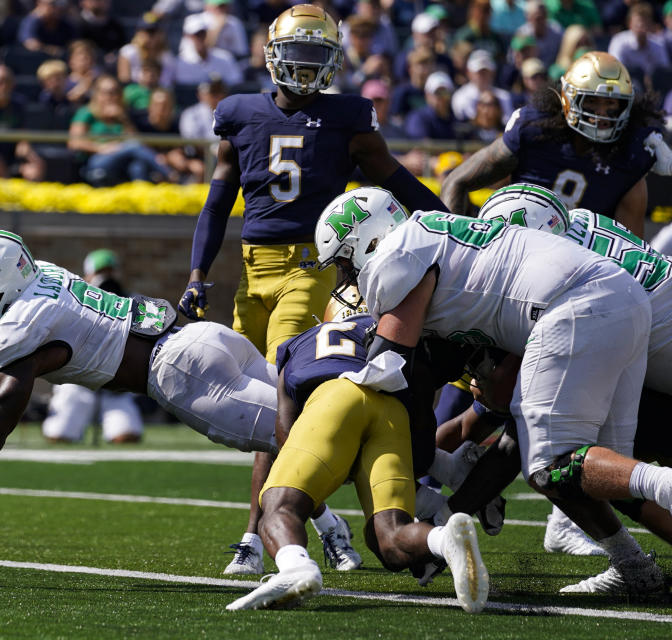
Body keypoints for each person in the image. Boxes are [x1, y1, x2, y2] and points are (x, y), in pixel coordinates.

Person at [0, 229, 361, 579]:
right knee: (309, 423)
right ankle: (333, 523)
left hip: (181, 375)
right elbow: (46, 347)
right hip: (204, 338)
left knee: (319, 439)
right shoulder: (42, 274)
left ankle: (416, 505)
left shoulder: (15, 329)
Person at [176, 4, 447, 573]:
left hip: (310, 268)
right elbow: (218, 202)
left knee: (284, 390)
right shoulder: (240, 113)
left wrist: (451, 221)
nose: (302, 69)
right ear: (271, 54)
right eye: (294, 56)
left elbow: (397, 180)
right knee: (253, 402)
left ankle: (259, 535)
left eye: (315, 58)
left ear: (333, 61)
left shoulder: (348, 118)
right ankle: (325, 519)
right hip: (251, 273)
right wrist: (199, 273)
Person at [315, 186, 669, 595]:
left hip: (580, 306)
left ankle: (642, 542)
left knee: (552, 464)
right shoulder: (447, 247)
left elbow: (389, 372)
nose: (346, 278)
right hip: (616, 301)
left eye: (344, 263)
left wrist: (349, 438)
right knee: (604, 473)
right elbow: (485, 417)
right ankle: (635, 568)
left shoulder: (397, 256)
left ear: (368, 241)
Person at [225, 305, 489, 613]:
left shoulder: (301, 341)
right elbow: (421, 390)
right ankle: (444, 540)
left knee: (278, 504)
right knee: (389, 538)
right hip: (391, 410)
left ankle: (295, 568)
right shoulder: (389, 331)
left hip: (334, 399)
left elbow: (285, 433)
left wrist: (332, 467)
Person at [440, 51, 663, 237]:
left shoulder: (631, 155)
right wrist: (454, 250)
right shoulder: (535, 130)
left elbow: (628, 253)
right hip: (514, 250)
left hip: (583, 272)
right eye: (591, 101)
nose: (601, 114)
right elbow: (456, 182)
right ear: (568, 98)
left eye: (611, 104)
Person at [41, 249, 143, 444]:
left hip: (116, 383)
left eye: (110, 272)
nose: (107, 277)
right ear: (88, 276)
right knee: (60, 435)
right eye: (101, 272)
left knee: (126, 436)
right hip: (77, 382)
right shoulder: (72, 299)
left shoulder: (132, 301)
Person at [67, 74, 170, 186]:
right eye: (107, 92)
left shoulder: (123, 115)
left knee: (137, 166)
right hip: (96, 160)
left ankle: (142, 199)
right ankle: (168, 173)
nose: (111, 96)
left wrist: (123, 119)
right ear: (97, 94)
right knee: (133, 147)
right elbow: (74, 142)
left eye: (116, 92)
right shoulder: (86, 113)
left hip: (123, 160)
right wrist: (100, 148)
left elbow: (135, 140)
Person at [608, 2, 670, 90]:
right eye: (638, 23)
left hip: (654, 92)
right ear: (630, 24)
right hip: (625, 88)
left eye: (645, 23)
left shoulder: (658, 44)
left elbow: (665, 71)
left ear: (650, 24)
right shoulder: (619, 42)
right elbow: (614, 70)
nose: (642, 27)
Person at [173, 13, 243, 87]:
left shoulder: (225, 57)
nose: (199, 38)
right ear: (186, 36)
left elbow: (236, 83)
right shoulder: (180, 63)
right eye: (195, 35)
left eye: (202, 33)